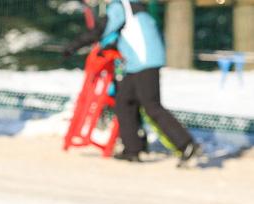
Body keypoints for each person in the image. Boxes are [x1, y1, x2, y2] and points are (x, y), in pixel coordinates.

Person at [64, 0, 199, 165]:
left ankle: (186, 145)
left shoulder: (120, 6)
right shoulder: (132, 6)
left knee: (152, 106)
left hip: (144, 61)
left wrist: (72, 46)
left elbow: (102, 29)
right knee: (124, 101)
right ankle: (132, 149)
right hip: (136, 64)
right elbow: (125, 34)